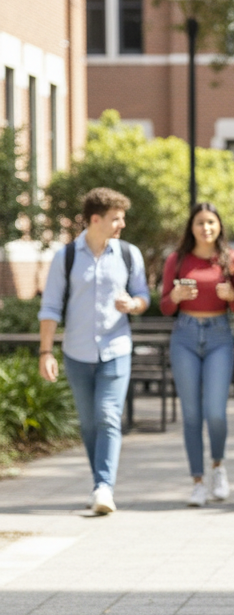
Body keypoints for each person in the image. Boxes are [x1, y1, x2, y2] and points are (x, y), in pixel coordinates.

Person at [37, 187, 150, 515]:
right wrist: (46, 353)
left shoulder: (129, 254)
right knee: (88, 423)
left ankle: (104, 487)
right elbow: (50, 307)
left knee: (107, 415)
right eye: (116, 218)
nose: (122, 224)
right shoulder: (66, 257)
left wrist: (133, 304)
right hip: (77, 353)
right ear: (95, 219)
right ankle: (99, 482)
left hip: (116, 349)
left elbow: (143, 296)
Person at [160, 203, 234, 507]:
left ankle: (218, 467)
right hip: (184, 335)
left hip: (219, 336)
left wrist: (232, 297)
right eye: (200, 222)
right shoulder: (177, 259)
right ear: (191, 227)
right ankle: (197, 481)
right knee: (191, 414)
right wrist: (175, 296)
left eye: (211, 222)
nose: (206, 228)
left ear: (219, 226)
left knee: (215, 412)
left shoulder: (231, 259)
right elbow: (164, 307)